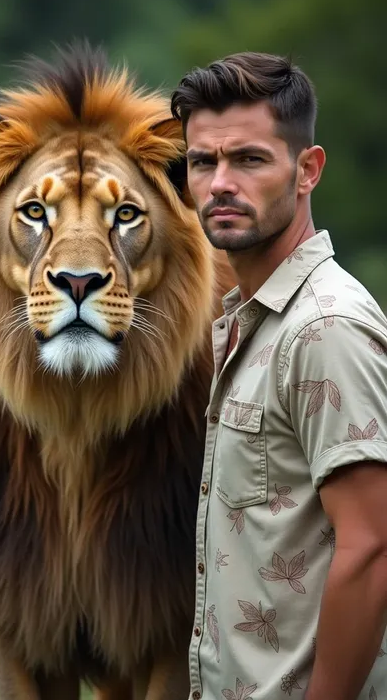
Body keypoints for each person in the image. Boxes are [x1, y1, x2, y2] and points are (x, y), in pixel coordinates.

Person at [170, 52, 387, 700]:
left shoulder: (326, 327)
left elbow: (373, 547)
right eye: (202, 162)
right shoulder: (246, 319)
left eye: (250, 159)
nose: (219, 183)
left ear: (306, 170)